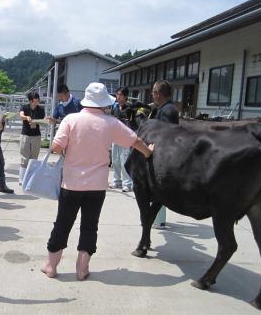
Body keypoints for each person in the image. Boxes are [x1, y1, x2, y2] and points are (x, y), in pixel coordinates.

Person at [41, 83, 154, 280]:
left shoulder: (71, 119)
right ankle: (82, 269)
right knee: (90, 225)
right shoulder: (111, 122)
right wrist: (148, 152)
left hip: (71, 184)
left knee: (63, 223)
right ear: (103, 103)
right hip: (97, 186)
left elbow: (57, 147)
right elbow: (134, 140)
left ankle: (51, 266)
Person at [151, 80, 179, 228]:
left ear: (158, 94)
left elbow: (165, 135)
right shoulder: (166, 108)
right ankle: (157, 219)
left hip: (164, 156)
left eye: (153, 92)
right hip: (165, 154)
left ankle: (158, 220)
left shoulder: (167, 110)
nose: (152, 95)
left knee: (159, 189)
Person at [109, 87, 133, 192]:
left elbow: (132, 124)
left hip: (125, 137)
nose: (118, 96)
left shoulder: (130, 109)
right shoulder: (115, 108)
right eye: (117, 94)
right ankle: (117, 181)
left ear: (125, 96)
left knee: (125, 160)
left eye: (120, 94)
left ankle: (127, 183)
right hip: (115, 137)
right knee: (115, 160)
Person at [18, 91, 45, 184]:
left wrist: (37, 122)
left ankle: (31, 178)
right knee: (24, 157)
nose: (37, 102)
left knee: (34, 158)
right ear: (30, 101)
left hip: (36, 135)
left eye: (38, 100)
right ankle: (22, 179)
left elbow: (43, 121)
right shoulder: (24, 107)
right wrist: (26, 117)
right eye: (35, 100)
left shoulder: (41, 109)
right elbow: (21, 115)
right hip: (25, 134)